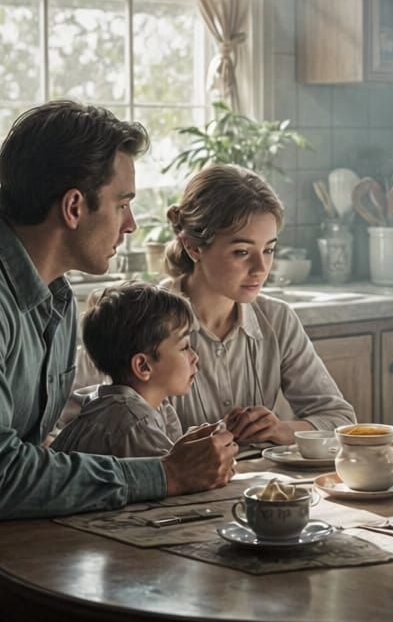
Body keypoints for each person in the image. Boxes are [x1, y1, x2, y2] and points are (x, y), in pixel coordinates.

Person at [0, 101, 238, 616]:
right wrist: (164, 474)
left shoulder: (52, 295)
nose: (131, 225)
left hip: (6, 551)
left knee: (192, 588)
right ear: (74, 207)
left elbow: (31, 447)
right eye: (122, 204)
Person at [77, 164, 356, 444]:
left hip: (257, 486)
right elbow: (69, 424)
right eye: (242, 252)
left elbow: (339, 419)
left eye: (269, 249)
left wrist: (280, 429)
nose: (261, 268)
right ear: (193, 247)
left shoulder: (277, 319)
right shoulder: (136, 318)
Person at [52, 280, 200, 457]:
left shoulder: (153, 407)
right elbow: (179, 477)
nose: (195, 357)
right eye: (184, 347)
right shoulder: (132, 422)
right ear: (143, 366)